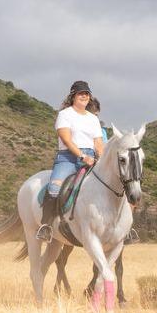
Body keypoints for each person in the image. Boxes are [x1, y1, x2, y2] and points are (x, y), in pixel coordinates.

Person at [37, 81, 104, 242]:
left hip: (90, 157)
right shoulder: (65, 115)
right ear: (73, 95)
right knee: (54, 187)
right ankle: (45, 226)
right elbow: (66, 140)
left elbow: (98, 143)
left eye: (86, 94)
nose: (84, 96)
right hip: (68, 157)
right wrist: (82, 156)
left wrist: (100, 159)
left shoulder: (93, 119)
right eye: (80, 93)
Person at [86, 97, 138, 244]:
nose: (95, 118)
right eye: (92, 115)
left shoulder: (101, 131)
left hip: (100, 165)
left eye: (97, 115)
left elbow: (105, 152)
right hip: (84, 162)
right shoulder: (81, 128)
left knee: (126, 190)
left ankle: (126, 229)